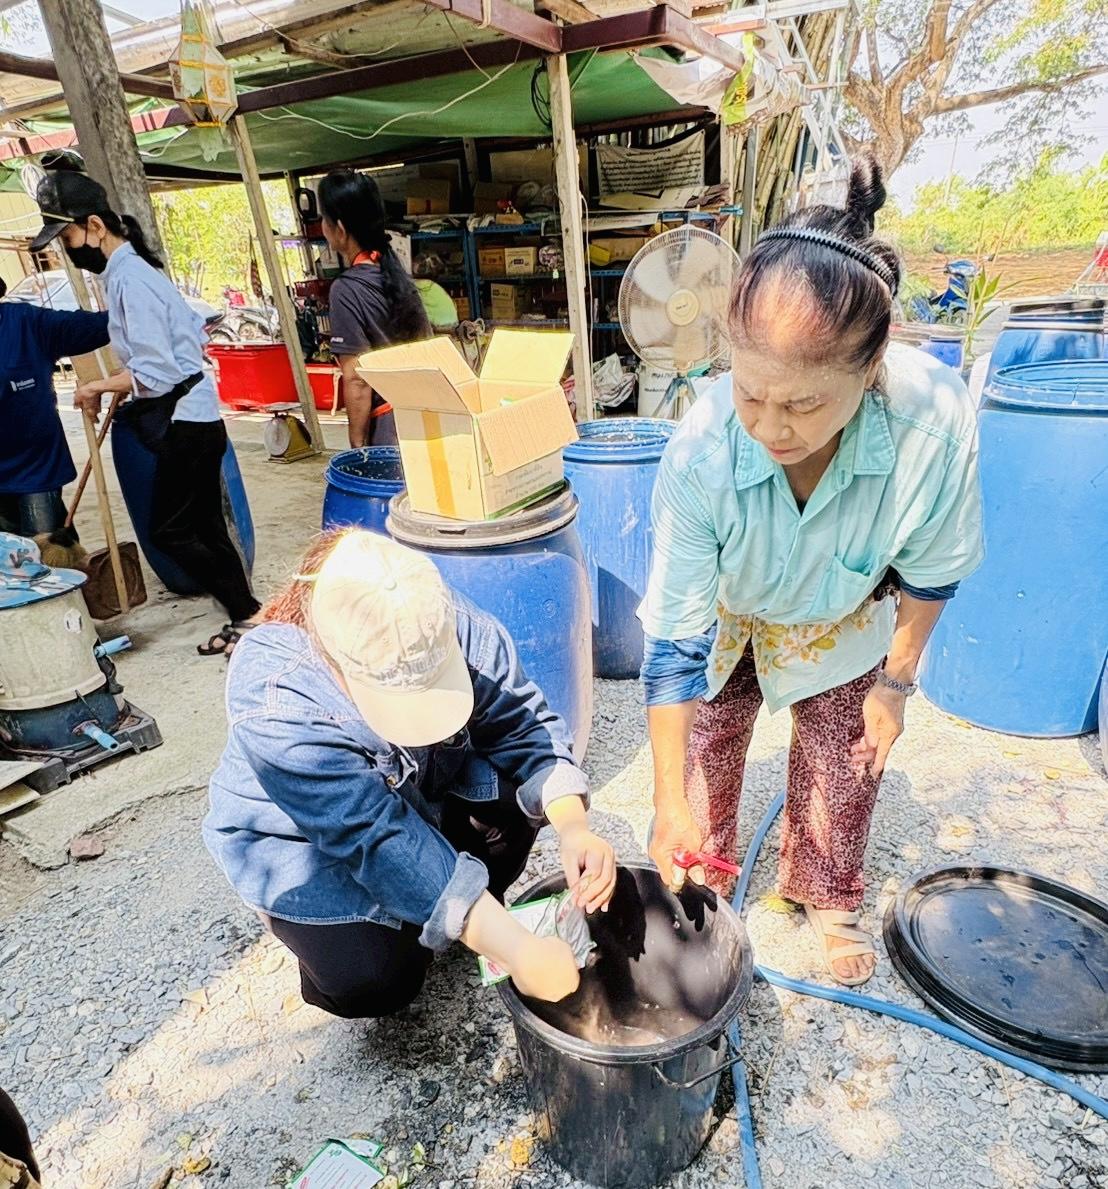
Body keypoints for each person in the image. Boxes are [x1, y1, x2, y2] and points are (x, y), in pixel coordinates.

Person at [639, 158, 983, 987]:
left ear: (871, 371)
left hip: (840, 614)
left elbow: (933, 573)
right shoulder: (702, 446)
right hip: (729, 616)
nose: (769, 426)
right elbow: (676, 636)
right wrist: (663, 799)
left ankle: (828, 891)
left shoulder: (931, 425)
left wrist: (894, 685)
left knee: (845, 749)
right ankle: (705, 876)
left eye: (803, 405)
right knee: (707, 746)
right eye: (753, 393)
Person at [204, 530, 616, 1017]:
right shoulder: (276, 700)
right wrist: (520, 950)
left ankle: (461, 911)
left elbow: (520, 721)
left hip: (422, 792)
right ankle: (416, 924)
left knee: (520, 803)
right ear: (336, 660)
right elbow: (375, 836)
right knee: (374, 976)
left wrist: (573, 826)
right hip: (308, 842)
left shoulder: (432, 618)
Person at [30, 171, 260, 656]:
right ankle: (247, 614)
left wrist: (97, 384)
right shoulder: (125, 275)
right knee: (204, 528)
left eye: (68, 236)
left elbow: (155, 372)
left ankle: (247, 611)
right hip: (193, 416)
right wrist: (119, 380)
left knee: (171, 532)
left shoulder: (132, 279)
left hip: (186, 421)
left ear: (94, 226)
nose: (68, 248)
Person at [317, 169, 432, 449]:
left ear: (340, 229)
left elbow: (357, 380)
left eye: (323, 217)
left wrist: (357, 447)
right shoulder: (398, 278)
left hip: (390, 430)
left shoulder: (346, 290)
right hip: (426, 417)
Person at [0, 290, 109, 537]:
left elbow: (92, 327)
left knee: (45, 557)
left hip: (35, 469)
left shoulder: (26, 323)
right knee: (8, 566)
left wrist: (136, 308)